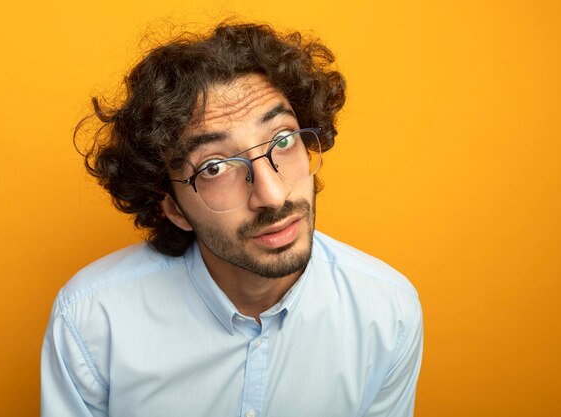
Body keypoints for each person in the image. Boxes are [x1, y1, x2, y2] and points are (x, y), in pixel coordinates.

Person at [41, 22, 423, 417]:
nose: (272, 196)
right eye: (215, 167)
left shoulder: (388, 313)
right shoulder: (90, 322)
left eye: (283, 140)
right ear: (173, 207)